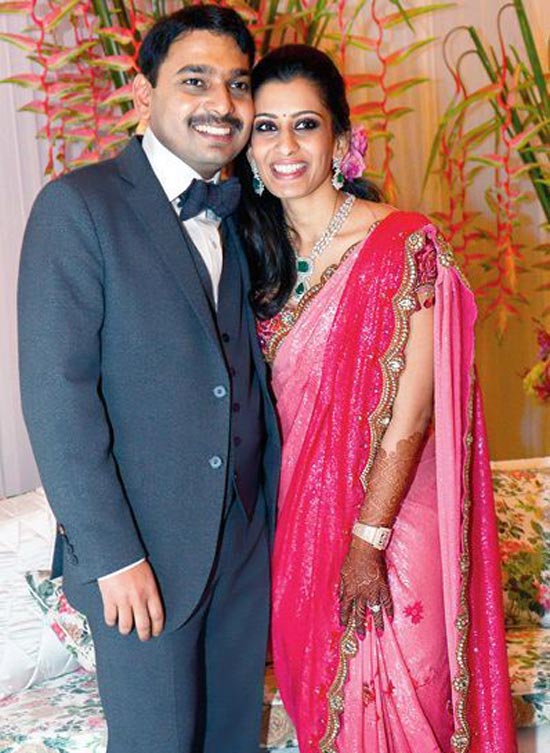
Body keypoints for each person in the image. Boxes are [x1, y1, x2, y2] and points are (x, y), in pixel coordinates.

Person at [237, 45, 517, 753]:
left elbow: (413, 414)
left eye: (305, 124)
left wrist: (368, 542)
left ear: (340, 139)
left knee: (405, 703)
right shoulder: (248, 261)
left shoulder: (402, 243)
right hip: (299, 531)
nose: (286, 145)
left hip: (393, 528)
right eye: (267, 127)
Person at [18, 6, 280, 753]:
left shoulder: (246, 211)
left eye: (237, 84)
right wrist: (113, 556)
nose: (221, 103)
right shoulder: (79, 206)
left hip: (245, 538)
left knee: (234, 738)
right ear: (143, 93)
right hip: (143, 555)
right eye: (195, 80)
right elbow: (58, 398)